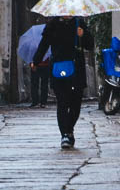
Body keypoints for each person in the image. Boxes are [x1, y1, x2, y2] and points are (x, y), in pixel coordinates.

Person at [31, 16, 94, 149]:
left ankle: (69, 129)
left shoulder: (79, 23)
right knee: (62, 103)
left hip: (77, 69)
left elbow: (90, 45)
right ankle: (65, 134)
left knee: (76, 104)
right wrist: (36, 61)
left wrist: (83, 35)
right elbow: (44, 45)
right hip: (58, 68)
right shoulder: (52, 25)